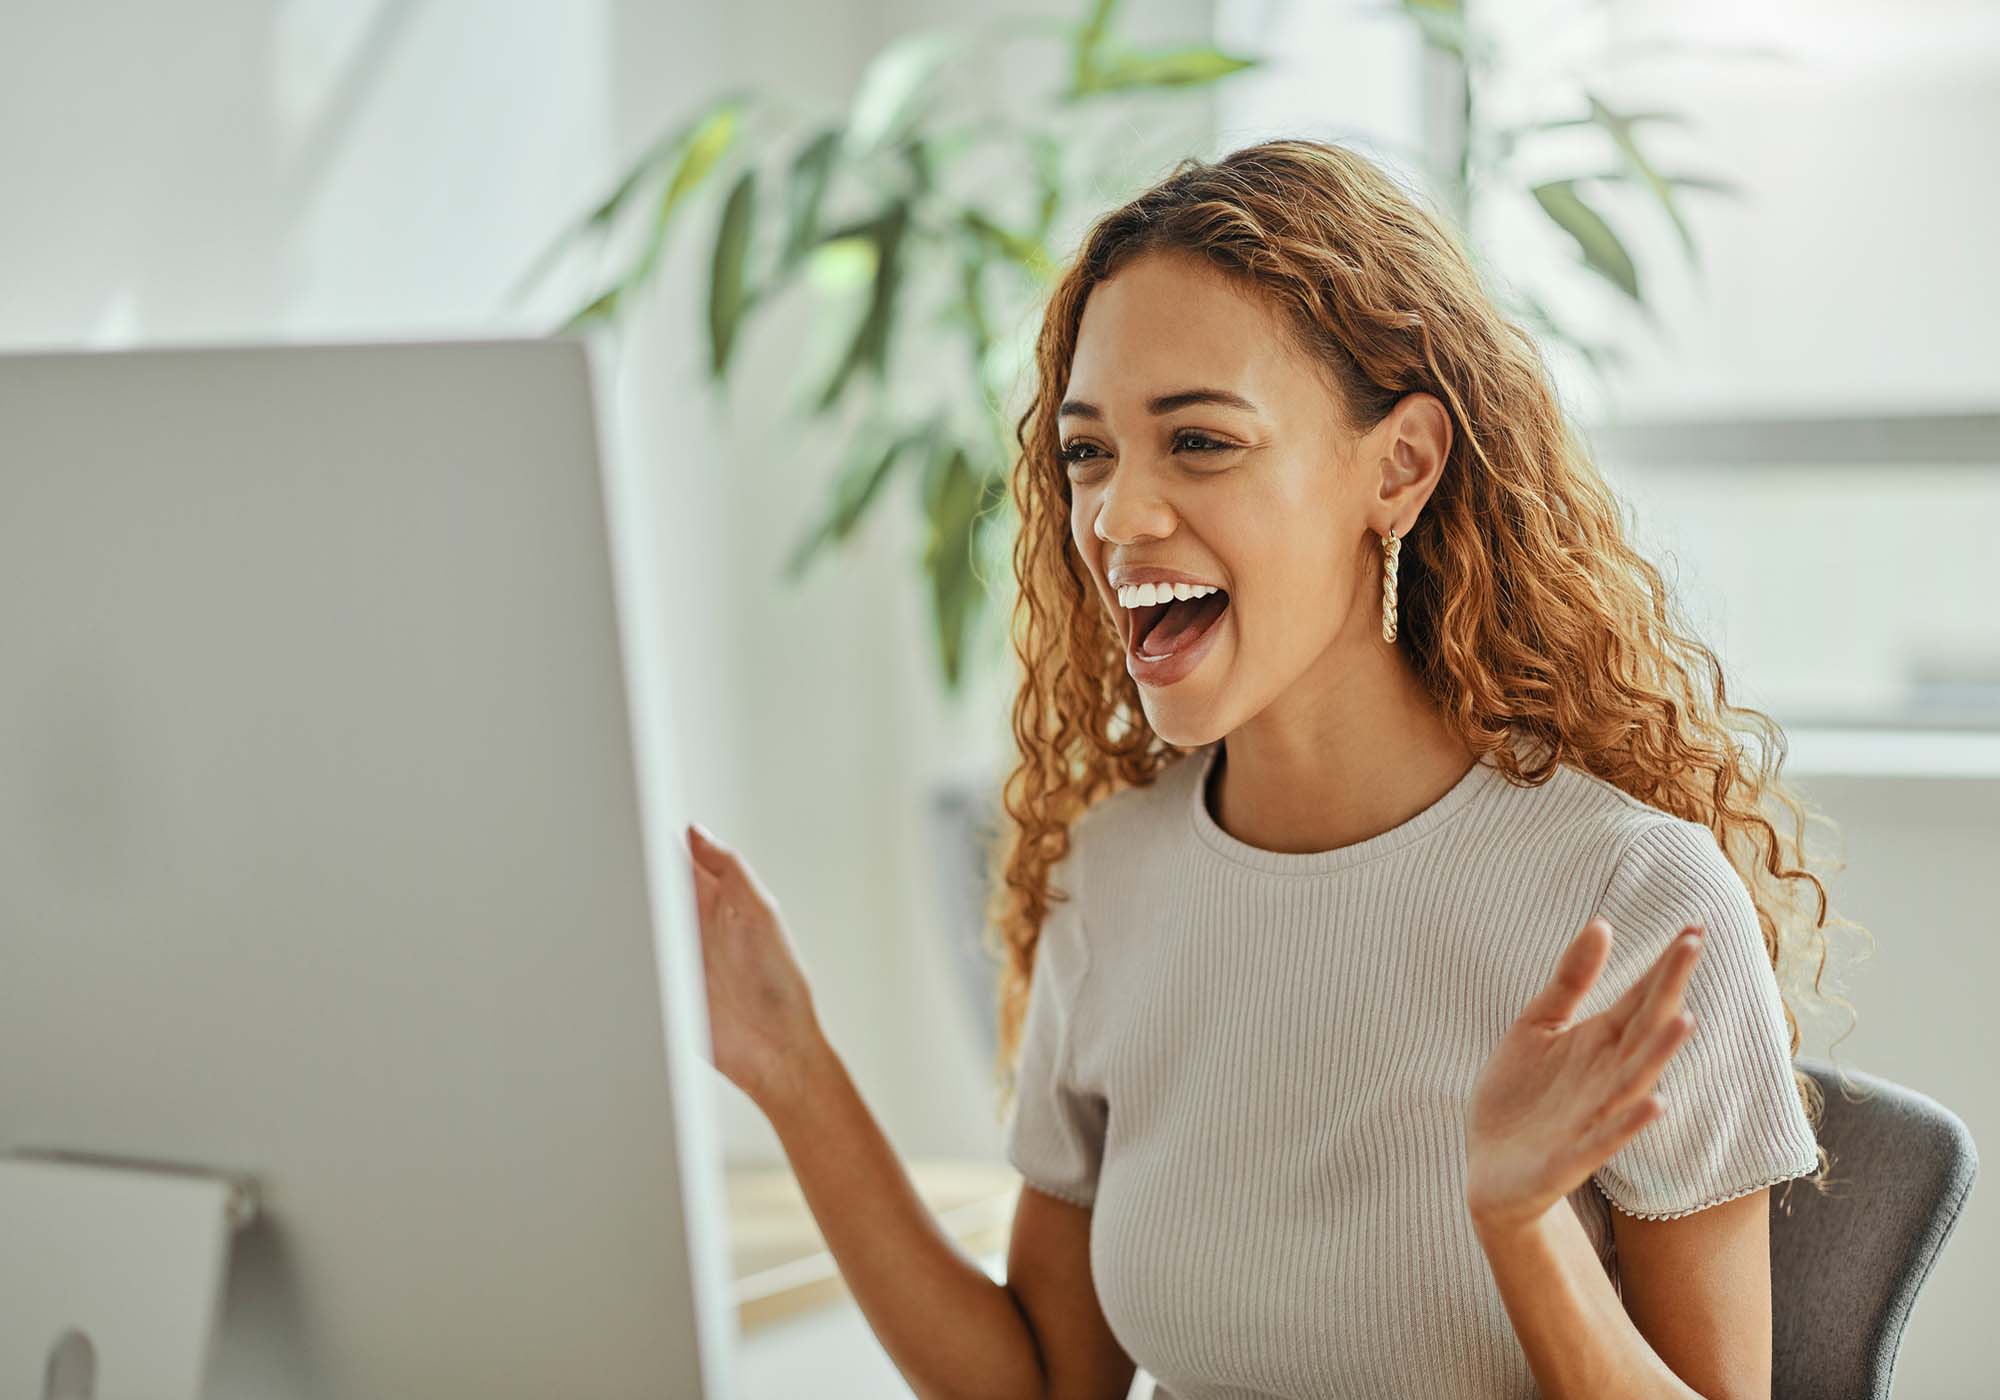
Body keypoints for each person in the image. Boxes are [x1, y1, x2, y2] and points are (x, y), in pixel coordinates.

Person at [683, 137, 1851, 1400]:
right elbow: (1040, 1383)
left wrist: (1522, 1229)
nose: (1118, 516)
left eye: (1197, 441)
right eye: (1087, 452)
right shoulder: (1113, 877)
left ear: (1397, 467)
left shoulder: (1626, 896)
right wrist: (787, 1061)